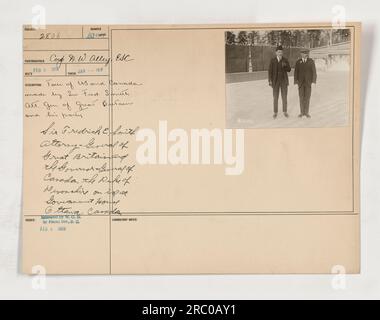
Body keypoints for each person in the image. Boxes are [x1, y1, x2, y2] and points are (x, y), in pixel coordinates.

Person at [268, 45, 291, 119]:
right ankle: (275, 112)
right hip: (275, 82)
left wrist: (285, 66)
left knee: (284, 97)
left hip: (284, 81)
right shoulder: (272, 60)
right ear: (276, 53)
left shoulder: (285, 59)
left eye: (281, 52)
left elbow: (289, 69)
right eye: (278, 52)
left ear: (282, 52)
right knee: (275, 97)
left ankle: (285, 111)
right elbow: (270, 71)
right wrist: (270, 80)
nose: (280, 53)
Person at [294, 48, 317, 118]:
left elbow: (314, 72)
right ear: (301, 54)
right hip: (300, 83)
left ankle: (306, 112)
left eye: (305, 53)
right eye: (302, 53)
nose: (304, 55)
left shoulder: (311, 61)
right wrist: (296, 81)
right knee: (301, 98)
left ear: (307, 54)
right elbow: (296, 72)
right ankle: (301, 112)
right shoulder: (298, 62)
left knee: (307, 98)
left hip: (308, 83)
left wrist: (313, 81)